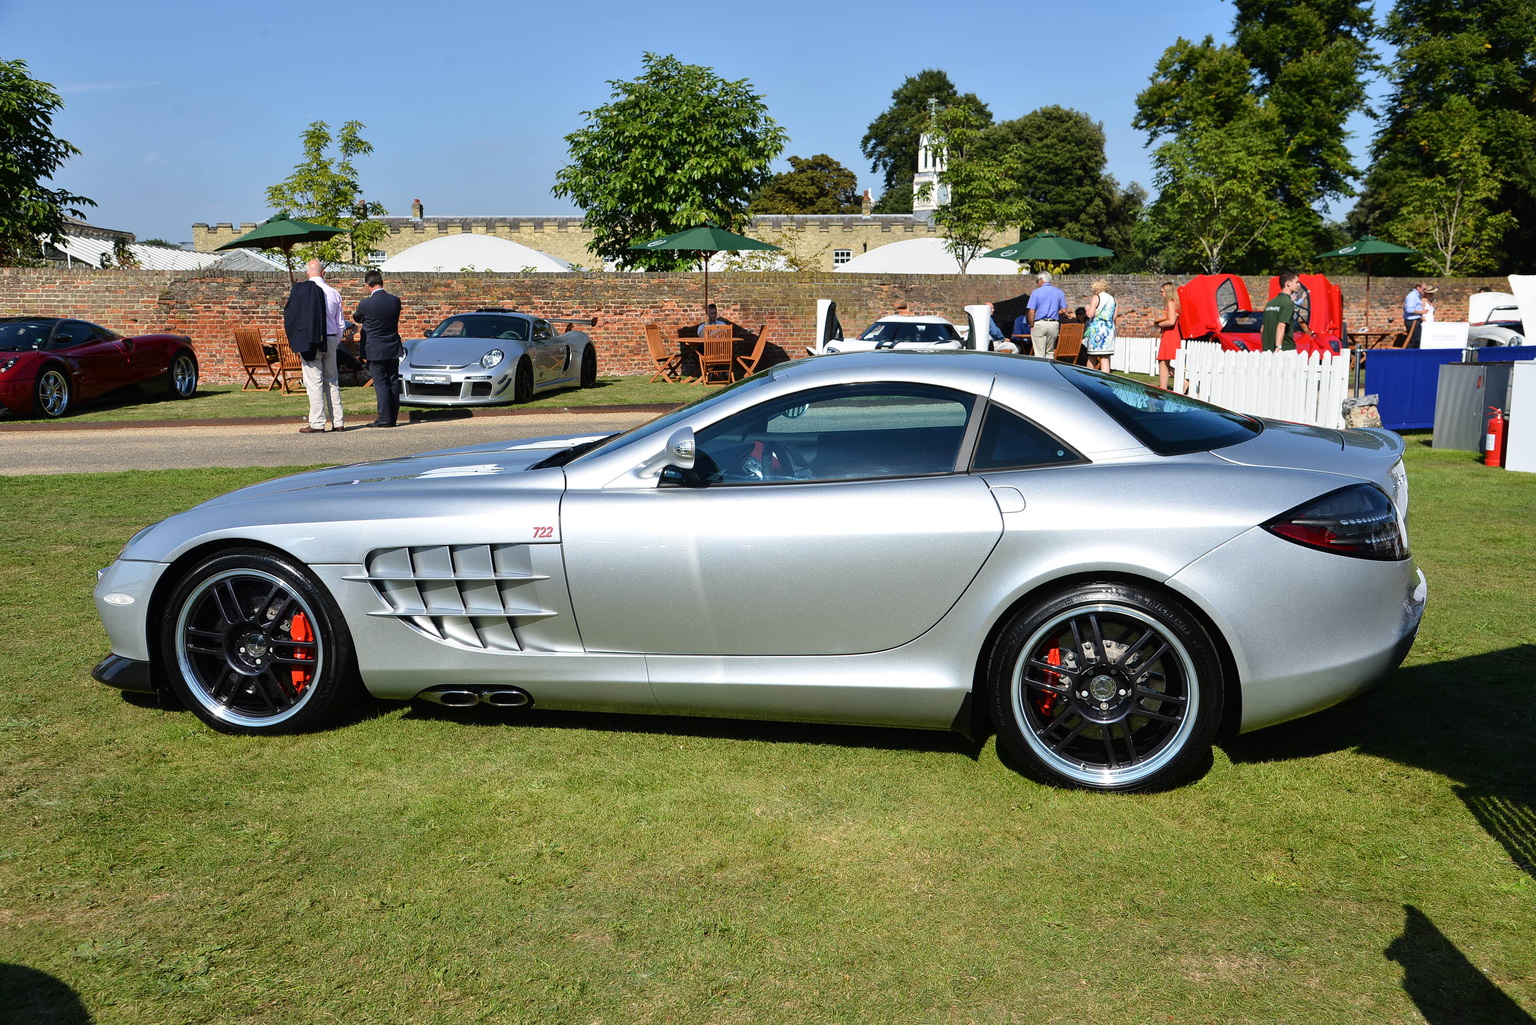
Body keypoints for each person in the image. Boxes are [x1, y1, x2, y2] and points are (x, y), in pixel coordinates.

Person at [284, 258, 346, 433]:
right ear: (323, 273)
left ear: (306, 273)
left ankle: (318, 423)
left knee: (314, 383)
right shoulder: (333, 293)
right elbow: (340, 324)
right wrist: (335, 340)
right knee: (332, 381)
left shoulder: (302, 293)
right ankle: (338, 422)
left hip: (311, 340)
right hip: (331, 338)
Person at [352, 269, 404, 427]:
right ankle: (393, 417)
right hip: (393, 346)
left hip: (375, 348)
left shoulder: (366, 304)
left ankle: (384, 418)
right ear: (382, 282)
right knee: (393, 381)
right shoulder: (395, 300)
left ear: (367, 285)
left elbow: (357, 317)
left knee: (381, 382)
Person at [1025, 271, 1067, 359]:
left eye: (1037, 281)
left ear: (1041, 280)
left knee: (1039, 353)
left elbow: (1031, 311)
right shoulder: (1059, 292)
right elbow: (1064, 310)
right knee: (1050, 352)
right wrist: (1054, 312)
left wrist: (1031, 325)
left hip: (1040, 323)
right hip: (1053, 324)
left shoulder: (1036, 292)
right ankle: (1050, 371)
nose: (1037, 283)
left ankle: (1040, 372)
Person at [1261, 271, 1303, 351]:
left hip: (1268, 350)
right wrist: (1278, 346)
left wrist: (1265, 346)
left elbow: (1262, 329)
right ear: (1288, 284)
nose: (1299, 285)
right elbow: (1281, 326)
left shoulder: (1270, 303)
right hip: (1285, 349)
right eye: (1297, 282)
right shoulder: (1288, 302)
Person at [1082, 278, 1118, 371]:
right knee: (1105, 358)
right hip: (1108, 330)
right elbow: (1114, 317)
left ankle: (1089, 378)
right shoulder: (1113, 299)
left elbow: (1090, 314)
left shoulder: (1096, 297)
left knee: (1092, 357)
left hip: (1097, 330)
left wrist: (1087, 309)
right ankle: (1105, 380)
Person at [1153, 282, 1182, 390]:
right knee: (1164, 362)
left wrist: (1157, 324)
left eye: (1162, 292)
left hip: (1170, 334)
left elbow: (1171, 321)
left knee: (1163, 362)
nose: (1161, 294)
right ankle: (1179, 384)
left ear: (1168, 292)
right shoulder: (1174, 303)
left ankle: (1164, 387)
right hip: (1170, 334)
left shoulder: (1170, 303)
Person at [1403, 282, 1426, 348]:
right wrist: (1421, 312)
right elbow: (1409, 309)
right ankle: (1408, 355)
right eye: (1423, 289)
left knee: (1418, 340)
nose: (1424, 291)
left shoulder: (1417, 296)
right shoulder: (1412, 296)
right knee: (1413, 340)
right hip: (1412, 321)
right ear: (1418, 287)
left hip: (1416, 320)